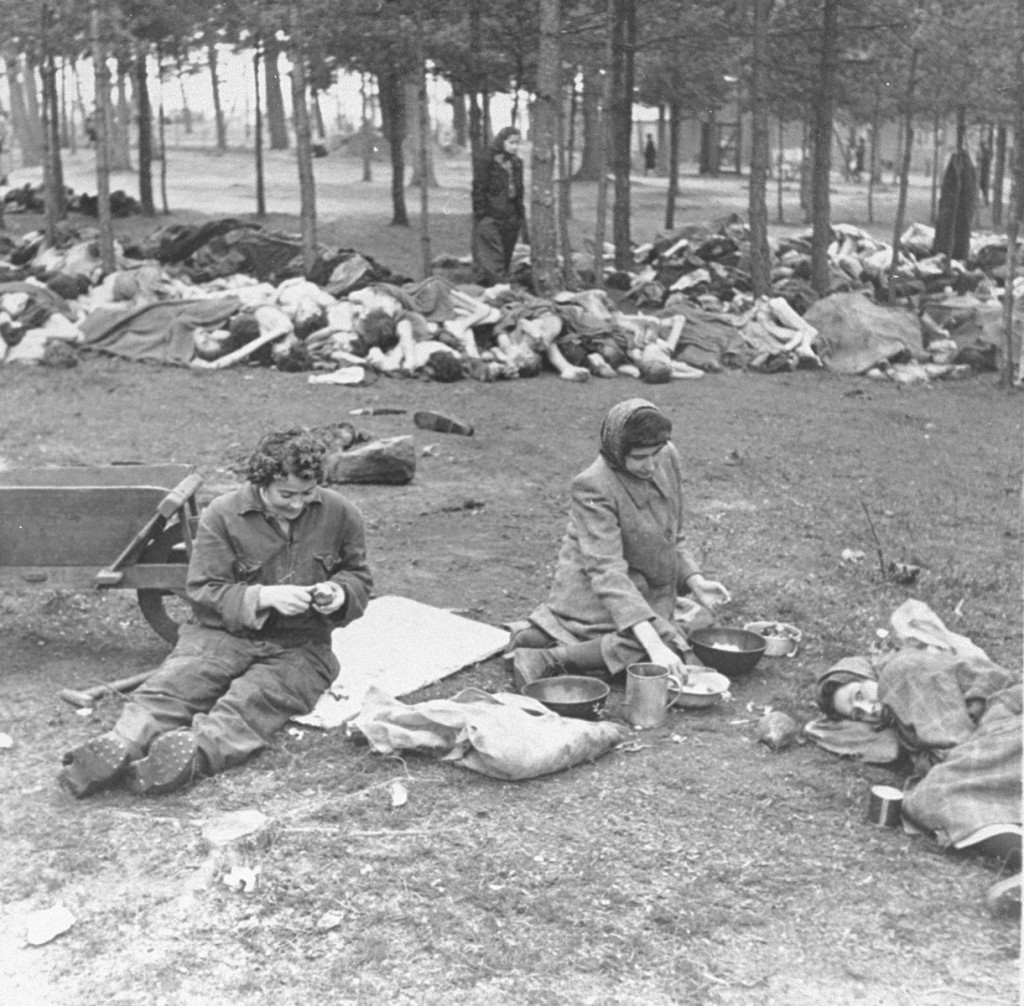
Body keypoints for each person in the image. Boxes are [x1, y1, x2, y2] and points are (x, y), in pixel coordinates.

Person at [59, 429, 373, 798]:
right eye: (285, 495)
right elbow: (203, 590)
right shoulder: (223, 514)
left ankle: (191, 755)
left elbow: (358, 576)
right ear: (261, 481)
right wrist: (265, 596)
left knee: (255, 702)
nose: (297, 505)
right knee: (176, 687)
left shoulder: (341, 513)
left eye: (308, 494)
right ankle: (120, 744)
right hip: (220, 634)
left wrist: (338, 593)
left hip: (301, 645)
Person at [507, 399, 731, 691]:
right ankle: (549, 657)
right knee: (664, 648)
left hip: (643, 589)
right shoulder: (594, 485)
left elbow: (673, 535)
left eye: (655, 453)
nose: (650, 465)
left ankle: (550, 635)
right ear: (616, 451)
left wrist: (695, 580)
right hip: (595, 593)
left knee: (700, 623)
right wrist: (653, 644)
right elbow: (606, 571)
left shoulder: (667, 455)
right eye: (639, 457)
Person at [807, 613, 1021, 911]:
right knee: (937, 793)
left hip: (1010, 723)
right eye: (857, 714)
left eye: (859, 694)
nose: (867, 710)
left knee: (933, 794)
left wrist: (938, 770)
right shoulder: (898, 706)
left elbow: (953, 741)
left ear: (870, 675)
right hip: (1002, 735)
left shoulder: (900, 671)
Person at [471, 126, 527, 286]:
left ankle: (498, 285)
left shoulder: (516, 163)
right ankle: (498, 286)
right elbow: (479, 188)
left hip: (511, 214)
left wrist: (519, 214)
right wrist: (482, 215)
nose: (515, 147)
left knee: (507, 253)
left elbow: (519, 189)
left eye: (517, 143)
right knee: (493, 254)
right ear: (502, 141)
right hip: (491, 215)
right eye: (511, 143)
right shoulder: (486, 159)